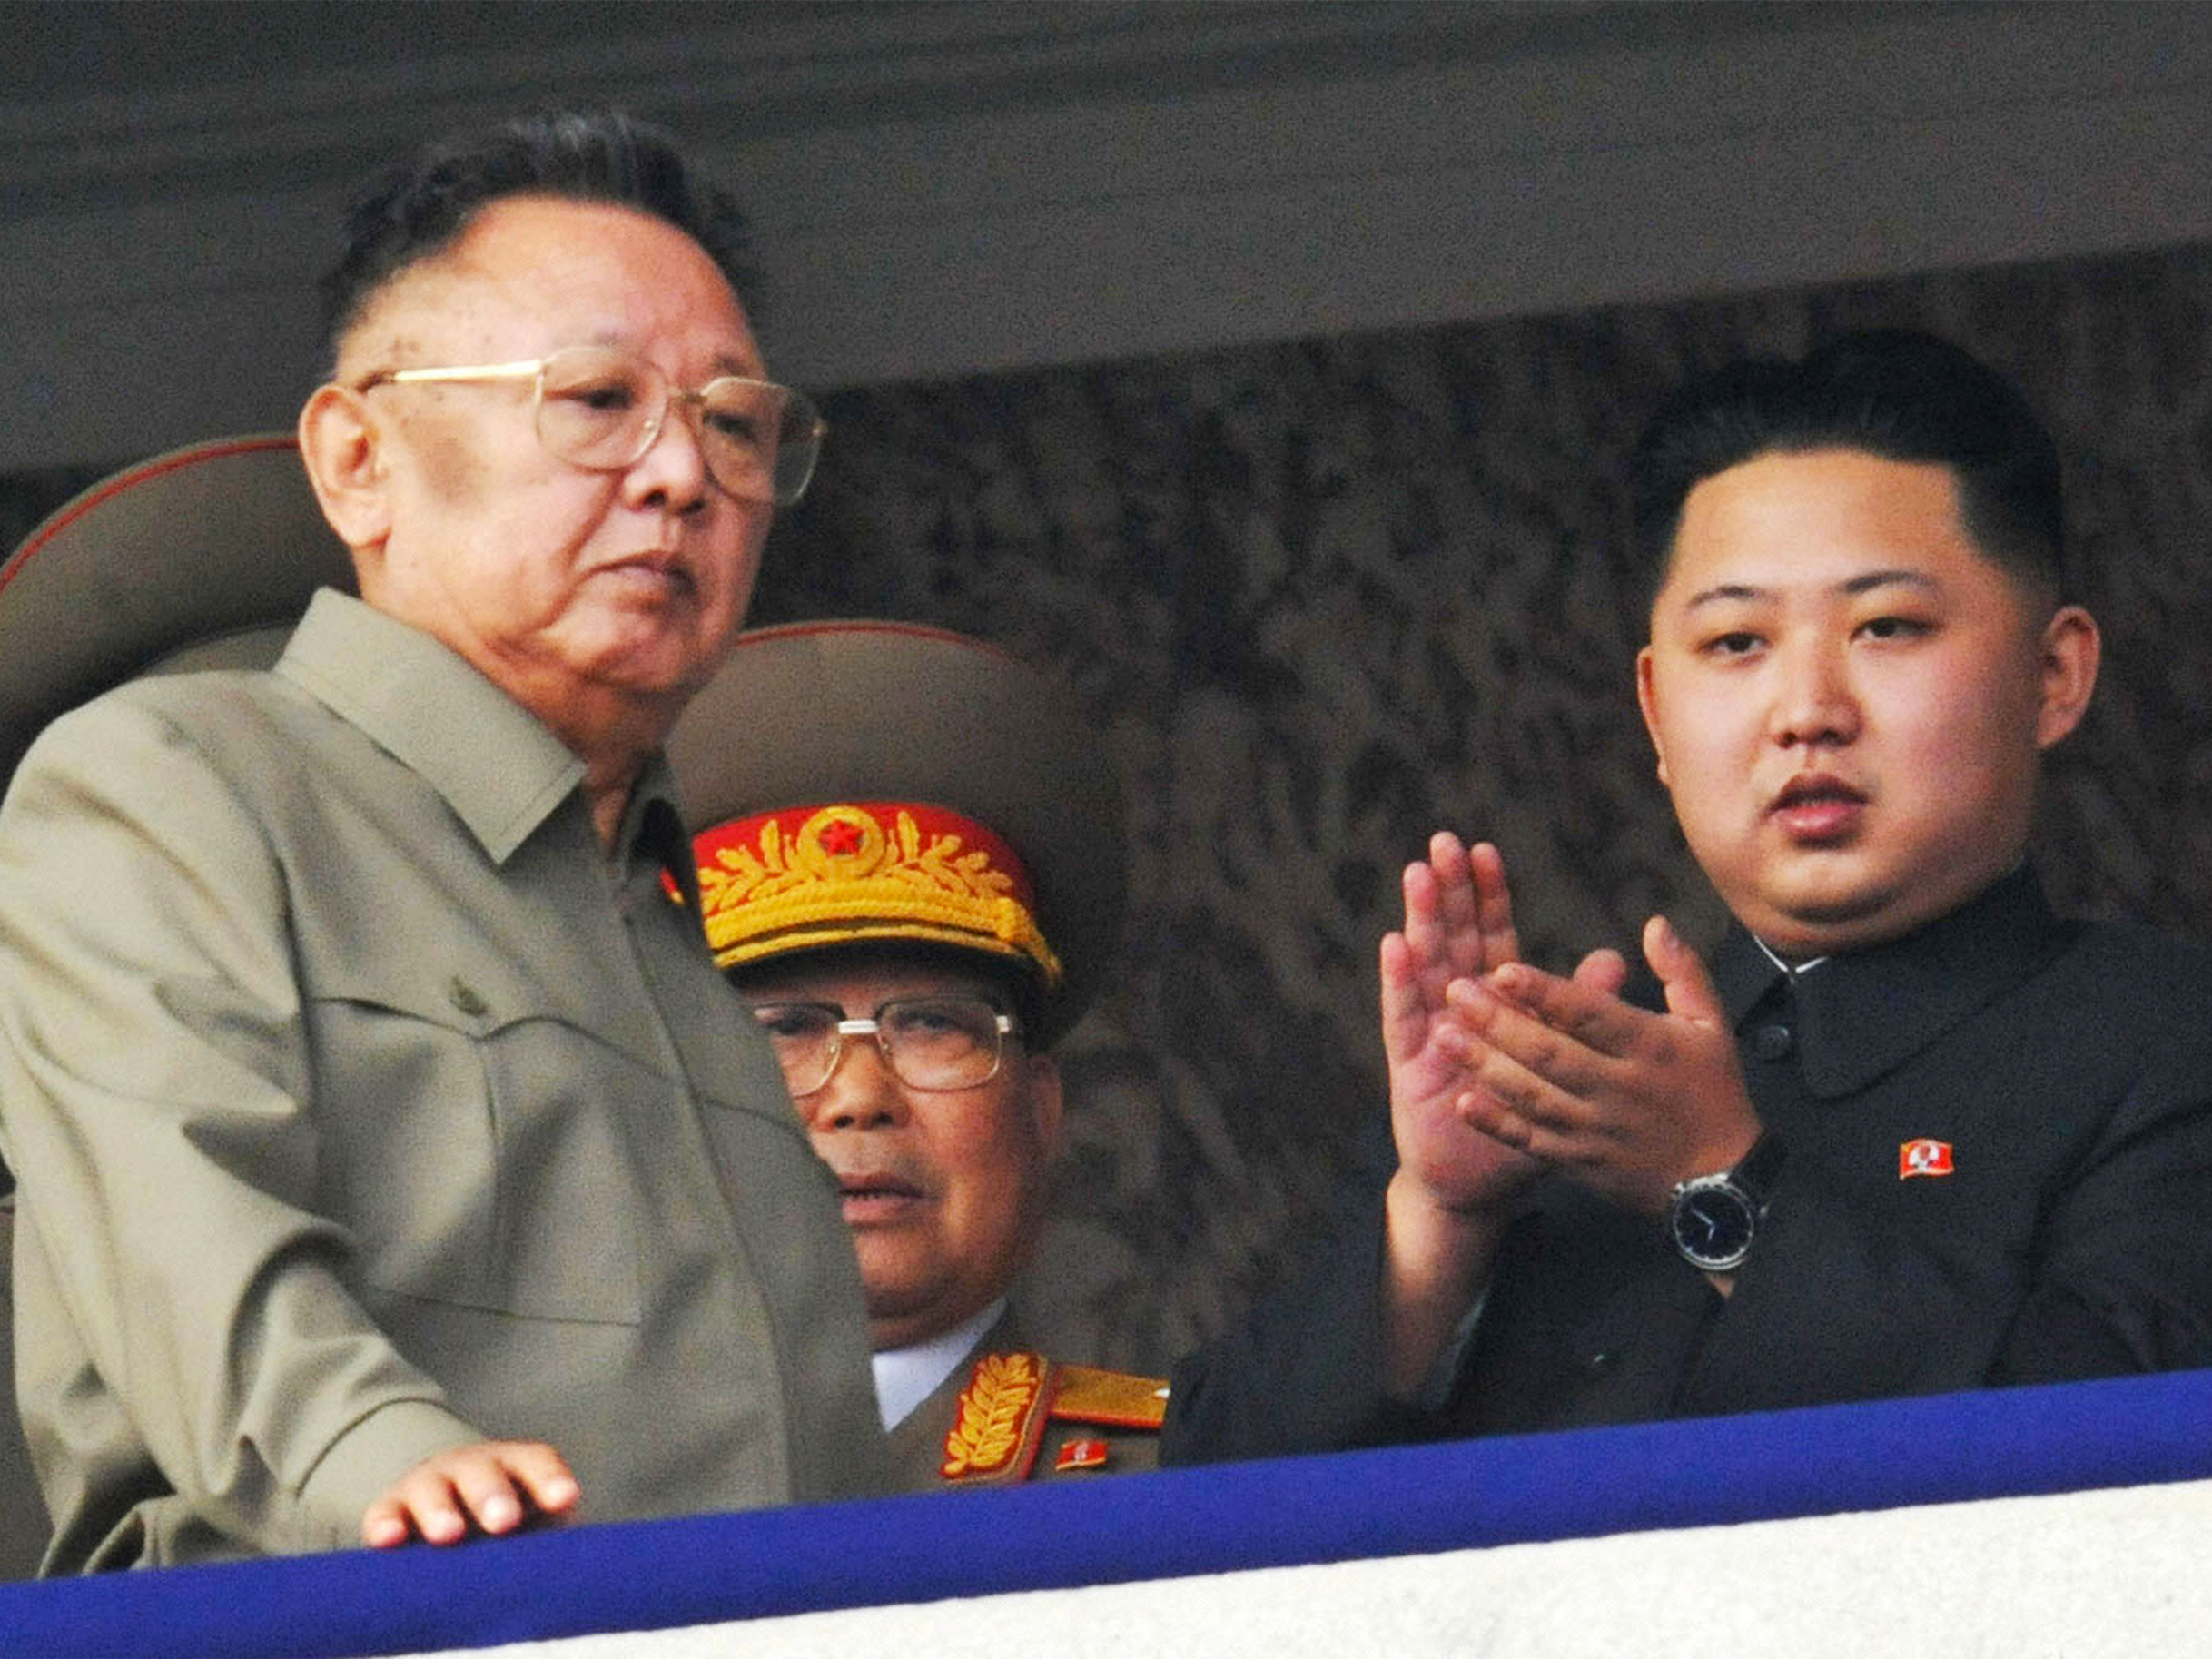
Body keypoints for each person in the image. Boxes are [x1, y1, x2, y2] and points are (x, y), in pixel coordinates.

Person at [0, 111, 887, 1572]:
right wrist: (391, 1466)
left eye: (735, 422)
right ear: (358, 461)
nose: (683, 477)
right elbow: (181, 1218)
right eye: (598, 398)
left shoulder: (685, 933)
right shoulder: (170, 783)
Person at [1160, 330, 2212, 1462]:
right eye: (1736, 641)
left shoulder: (2159, 1033)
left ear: (2054, 677)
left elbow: (2137, 1465)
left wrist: (1728, 1188)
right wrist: (1437, 1225)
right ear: (1657, 713)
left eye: (1887, 626)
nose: (1805, 709)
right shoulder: (1546, 1082)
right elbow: (1188, 1518)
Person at [668, 619, 1168, 1488]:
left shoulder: (1171, 1484)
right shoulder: (553, 1508)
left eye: (932, 1024)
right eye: (783, 1030)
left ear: (1041, 1113)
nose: (861, 1094)